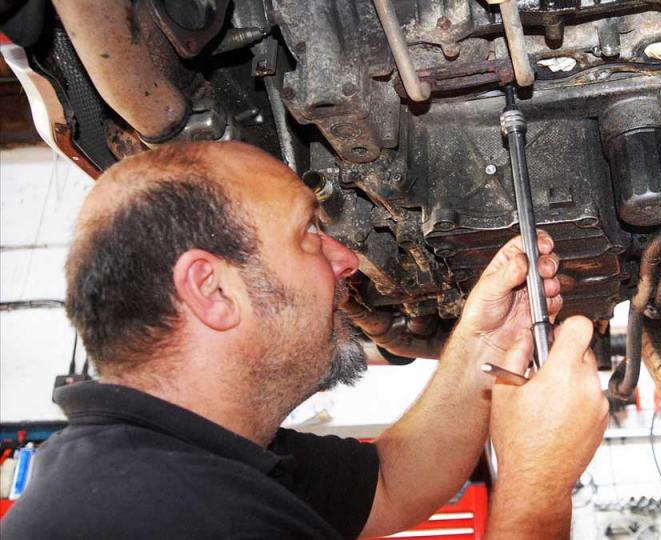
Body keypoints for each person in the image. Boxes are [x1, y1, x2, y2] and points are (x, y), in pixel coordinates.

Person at [2, 142, 608, 538]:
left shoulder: (179, 462)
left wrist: (486, 344)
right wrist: (537, 484)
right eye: (309, 234)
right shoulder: (164, 515)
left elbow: (392, 485)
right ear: (211, 290)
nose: (345, 259)